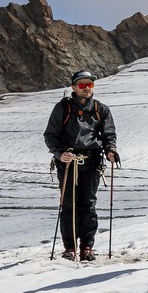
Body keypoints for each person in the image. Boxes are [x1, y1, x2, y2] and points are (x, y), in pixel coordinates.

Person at [43, 69, 120, 261]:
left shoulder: (100, 109)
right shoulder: (62, 108)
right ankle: (70, 248)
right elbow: (50, 136)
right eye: (82, 85)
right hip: (68, 163)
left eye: (90, 84)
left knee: (88, 204)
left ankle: (87, 247)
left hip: (92, 161)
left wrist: (111, 150)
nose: (87, 88)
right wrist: (60, 154)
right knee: (69, 205)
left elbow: (108, 134)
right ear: (74, 87)